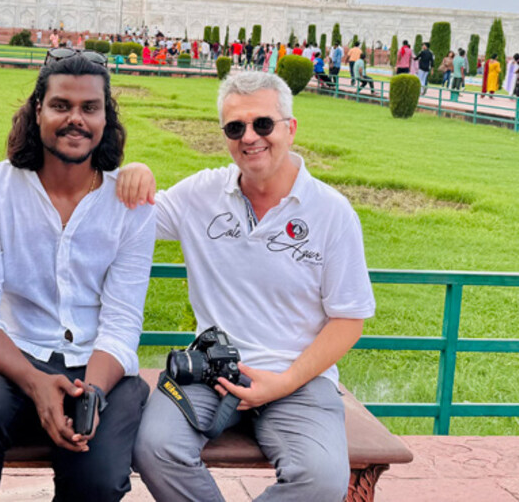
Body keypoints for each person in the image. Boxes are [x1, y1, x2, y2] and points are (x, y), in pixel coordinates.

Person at [116, 70, 375, 502]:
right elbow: (131, 218)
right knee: (154, 448)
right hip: (212, 369)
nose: (250, 137)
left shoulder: (332, 212)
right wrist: (135, 173)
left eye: (263, 124)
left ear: (290, 129)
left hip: (299, 376)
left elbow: (348, 320)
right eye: (236, 127)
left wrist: (285, 381)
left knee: (321, 480)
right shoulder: (201, 194)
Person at [0, 52, 154, 502]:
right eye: (61, 105)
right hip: (14, 357)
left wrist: (89, 394)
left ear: (105, 117)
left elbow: (121, 324)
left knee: (96, 478)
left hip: (100, 366)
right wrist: (36, 383)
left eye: (90, 108)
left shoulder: (128, 204)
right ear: (38, 111)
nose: (76, 119)